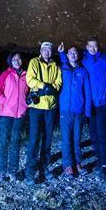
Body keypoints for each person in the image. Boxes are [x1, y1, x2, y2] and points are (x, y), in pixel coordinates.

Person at [60, 38, 106, 179]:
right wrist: (62, 54)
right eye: (90, 46)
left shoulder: (105, 59)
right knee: (93, 135)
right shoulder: (84, 60)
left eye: (95, 46)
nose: (93, 49)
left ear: (98, 46)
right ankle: (100, 162)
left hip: (102, 104)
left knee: (102, 134)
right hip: (89, 105)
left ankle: (105, 164)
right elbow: (69, 62)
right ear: (86, 47)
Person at [25, 41, 62, 184]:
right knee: (34, 139)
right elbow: (30, 79)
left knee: (47, 140)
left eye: (49, 50)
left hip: (50, 107)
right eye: (44, 49)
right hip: (37, 107)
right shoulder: (34, 62)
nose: (47, 52)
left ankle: (44, 168)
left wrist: (51, 88)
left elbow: (58, 82)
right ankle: (30, 171)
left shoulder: (55, 66)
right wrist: (44, 86)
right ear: (40, 50)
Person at [0, 51, 28, 181]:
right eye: (14, 59)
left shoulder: (26, 75)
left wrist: (26, 105)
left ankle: (13, 171)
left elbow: (29, 93)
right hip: (5, 114)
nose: (17, 61)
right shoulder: (6, 74)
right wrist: (5, 103)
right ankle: (1, 172)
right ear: (10, 61)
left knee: (15, 142)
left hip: (20, 114)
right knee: (3, 142)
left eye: (19, 59)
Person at [58, 46, 92, 177]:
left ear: (78, 55)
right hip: (65, 110)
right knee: (66, 139)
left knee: (77, 139)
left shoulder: (82, 71)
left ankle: (78, 163)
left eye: (75, 53)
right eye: (70, 53)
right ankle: (67, 166)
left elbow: (87, 92)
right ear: (67, 55)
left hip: (79, 111)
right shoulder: (63, 69)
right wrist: (61, 53)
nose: (73, 54)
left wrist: (87, 111)